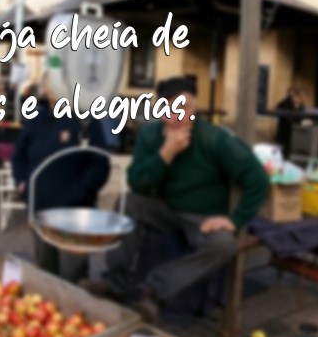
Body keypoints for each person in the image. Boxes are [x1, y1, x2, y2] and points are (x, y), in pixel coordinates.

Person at [99, 77, 269, 320]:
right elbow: (138, 182)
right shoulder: (150, 135)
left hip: (202, 217)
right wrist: (166, 152)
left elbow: (257, 179)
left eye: (185, 107)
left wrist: (235, 219)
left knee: (224, 245)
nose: (178, 115)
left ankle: (153, 290)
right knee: (128, 202)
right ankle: (114, 281)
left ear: (194, 108)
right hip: (165, 209)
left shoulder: (214, 139)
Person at [12, 76, 110, 282]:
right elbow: (18, 156)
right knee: (45, 272)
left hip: (75, 215)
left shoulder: (85, 120)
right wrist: (23, 183)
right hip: (41, 211)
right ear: (45, 88)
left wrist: (76, 193)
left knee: (73, 275)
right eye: (50, 83)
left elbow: (100, 165)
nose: (55, 87)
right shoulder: (36, 120)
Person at [274, 86, 306, 157]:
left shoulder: (301, 107)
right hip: (286, 133)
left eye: (304, 96)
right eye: (301, 96)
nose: (303, 98)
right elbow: (286, 117)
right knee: (283, 151)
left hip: (296, 134)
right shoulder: (286, 104)